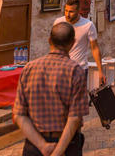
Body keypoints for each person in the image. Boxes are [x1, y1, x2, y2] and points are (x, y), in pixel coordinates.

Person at [13, 22, 88, 156]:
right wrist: (57, 152)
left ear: (49, 41)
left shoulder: (29, 68)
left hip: (34, 144)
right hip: (67, 145)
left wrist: (42, 145)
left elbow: (18, 115)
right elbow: (74, 118)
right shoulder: (76, 71)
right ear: (73, 43)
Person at [53, 0, 105, 87]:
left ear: (78, 11)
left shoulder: (88, 25)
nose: (67, 14)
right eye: (66, 11)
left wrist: (100, 71)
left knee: (78, 100)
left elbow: (95, 48)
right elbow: (54, 45)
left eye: (71, 12)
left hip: (79, 69)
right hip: (61, 68)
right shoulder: (59, 22)